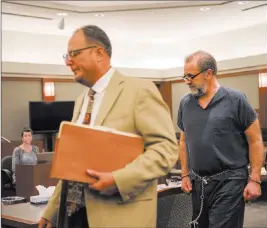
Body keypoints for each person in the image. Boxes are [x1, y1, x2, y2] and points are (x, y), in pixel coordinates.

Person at [39, 25, 178, 228]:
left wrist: (119, 180)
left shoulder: (139, 91)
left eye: (74, 54)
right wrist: (52, 210)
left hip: (119, 216)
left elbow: (166, 149)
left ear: (99, 53)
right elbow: (73, 163)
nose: (68, 62)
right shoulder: (81, 101)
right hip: (74, 217)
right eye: (66, 56)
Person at [177, 50, 264, 228]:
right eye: (185, 76)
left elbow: (255, 140)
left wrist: (254, 179)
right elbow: (184, 141)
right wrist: (185, 174)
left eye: (191, 76)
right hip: (199, 183)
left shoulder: (236, 99)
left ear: (208, 73)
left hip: (230, 182)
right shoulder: (185, 103)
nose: (187, 81)